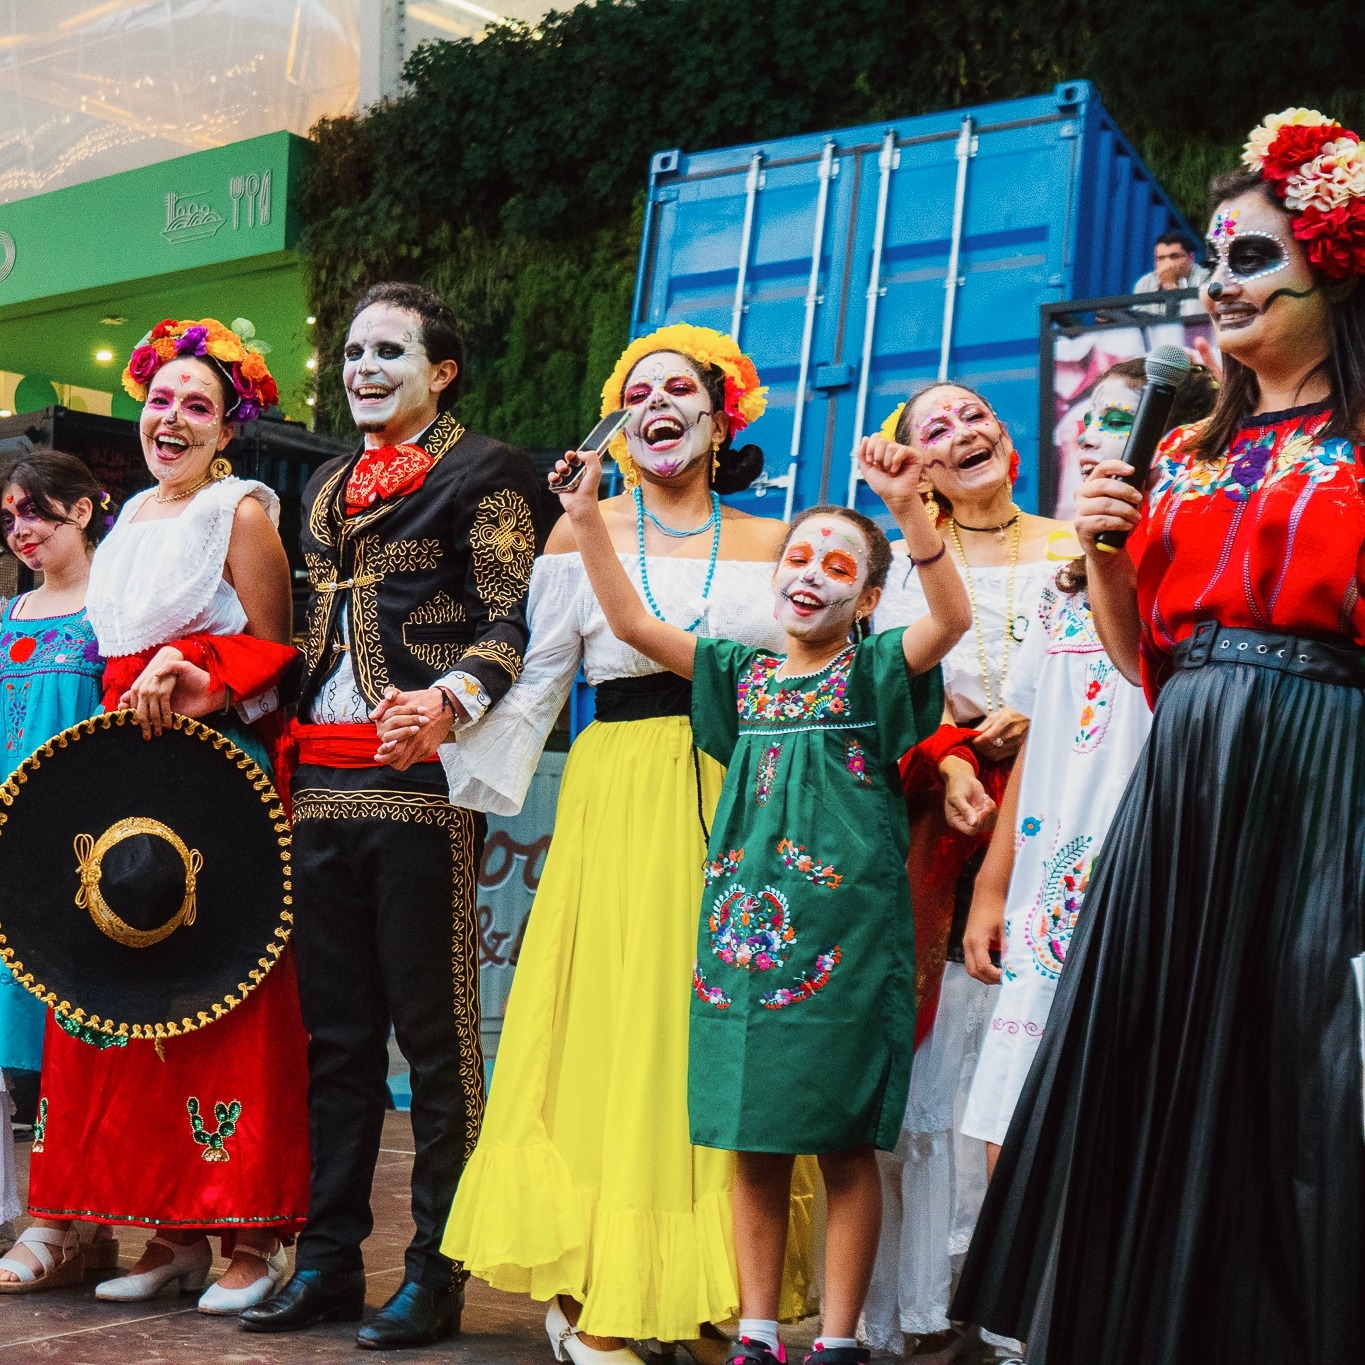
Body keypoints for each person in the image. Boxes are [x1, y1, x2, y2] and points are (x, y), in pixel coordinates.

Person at [953, 108, 1365, 1364]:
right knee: (1166, 1067)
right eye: (1214, 257)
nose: (1221, 282)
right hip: (1186, 773)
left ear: (1335, 265)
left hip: (1328, 765)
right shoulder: (1189, 442)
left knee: (1305, 1077)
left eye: (1253, 258)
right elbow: (1145, 664)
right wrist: (1101, 546)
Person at [441, 325, 817, 1364]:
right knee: (624, 1033)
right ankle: (604, 1291)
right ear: (620, 419)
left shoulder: (778, 538)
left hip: (745, 795)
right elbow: (533, 674)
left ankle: (705, 1293)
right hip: (623, 792)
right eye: (637, 388)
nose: (659, 401)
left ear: (720, 412)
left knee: (720, 1034)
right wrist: (448, 719)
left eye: (681, 386)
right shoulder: (580, 531)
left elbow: (813, 668)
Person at [555, 427, 969, 1365]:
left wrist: (907, 513)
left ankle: (834, 1340)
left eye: (837, 565)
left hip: (846, 945)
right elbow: (628, 626)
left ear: (867, 597)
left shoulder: (871, 674)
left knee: (843, 1141)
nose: (809, 573)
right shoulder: (738, 680)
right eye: (796, 556)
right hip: (743, 945)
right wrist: (584, 518)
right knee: (751, 1133)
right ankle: (753, 1334)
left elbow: (946, 621)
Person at [243, 282, 541, 1349]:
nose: (364, 368)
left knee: (436, 1039)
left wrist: (452, 695)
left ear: (441, 371)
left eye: (391, 352)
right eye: (356, 353)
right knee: (335, 1041)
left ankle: (436, 1271)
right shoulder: (322, 480)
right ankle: (326, 1264)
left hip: (420, 781)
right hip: (317, 785)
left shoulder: (486, 470)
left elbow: (518, 614)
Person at [19, 318, 311, 1312]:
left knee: (216, 1001)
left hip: (211, 782)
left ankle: (249, 1234)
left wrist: (197, 672)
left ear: (230, 429)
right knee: (118, 997)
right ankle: (167, 1231)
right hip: (118, 782)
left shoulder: (242, 513)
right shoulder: (133, 517)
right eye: (161, 402)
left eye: (198, 406)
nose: (172, 420)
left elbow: (277, 656)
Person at [865, 383, 1078, 1361]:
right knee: (936, 1063)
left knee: (1033, 1052)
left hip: (1061, 814)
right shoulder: (915, 568)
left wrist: (1042, 725)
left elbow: (1113, 667)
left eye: (976, 414)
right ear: (917, 467)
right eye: (936, 428)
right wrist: (950, 757)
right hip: (935, 824)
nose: (965, 432)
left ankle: (1016, 1297)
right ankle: (922, 1299)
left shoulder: (1074, 547)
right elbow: (883, 687)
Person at [0, 452, 112, 1292]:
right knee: (12, 1040)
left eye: (39, 511)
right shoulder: (9, 613)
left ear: (84, 509)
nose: (23, 529)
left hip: (81, 854)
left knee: (69, 1035)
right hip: (8, 849)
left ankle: (70, 1218)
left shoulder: (115, 609)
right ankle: (42, 1213)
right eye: (10, 517)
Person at [1132, 230, 1208, 315]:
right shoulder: (1144, 283)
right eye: (1161, 258)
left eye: (1174, 257)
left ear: (1191, 258)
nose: (1168, 264)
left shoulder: (1205, 278)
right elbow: (1139, 321)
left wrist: (1174, 291)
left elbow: (1196, 318)